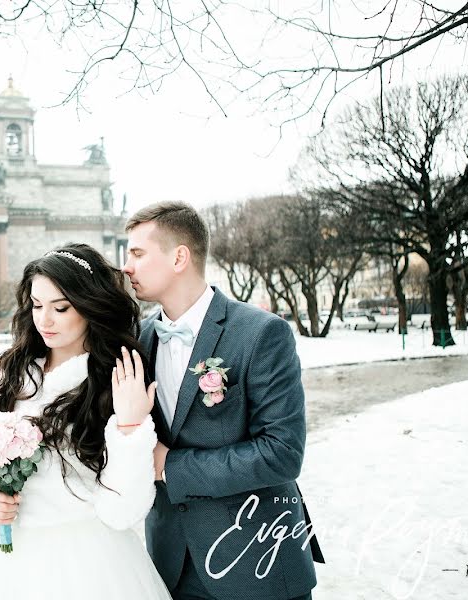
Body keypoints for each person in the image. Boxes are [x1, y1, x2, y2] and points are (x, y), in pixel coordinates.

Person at [0, 243, 172, 600]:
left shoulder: (114, 382)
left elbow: (123, 510)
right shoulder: (15, 372)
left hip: (82, 565)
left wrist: (130, 428)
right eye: (36, 305)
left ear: (89, 307)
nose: (44, 320)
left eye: (60, 308)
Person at [122, 201, 323, 600]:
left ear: (180, 256)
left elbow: (282, 453)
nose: (127, 266)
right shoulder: (137, 342)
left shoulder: (262, 333)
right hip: (170, 567)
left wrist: (170, 466)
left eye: (137, 253)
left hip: (256, 561)